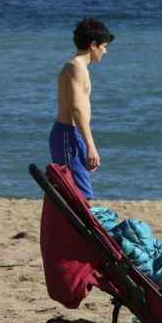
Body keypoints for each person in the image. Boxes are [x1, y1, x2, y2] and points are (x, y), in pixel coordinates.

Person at [51, 17, 114, 200]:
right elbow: (77, 109)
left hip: (71, 135)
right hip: (67, 135)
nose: (105, 51)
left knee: (79, 194)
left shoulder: (77, 67)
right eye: (104, 46)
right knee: (80, 195)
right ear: (93, 45)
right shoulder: (76, 68)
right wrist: (90, 145)